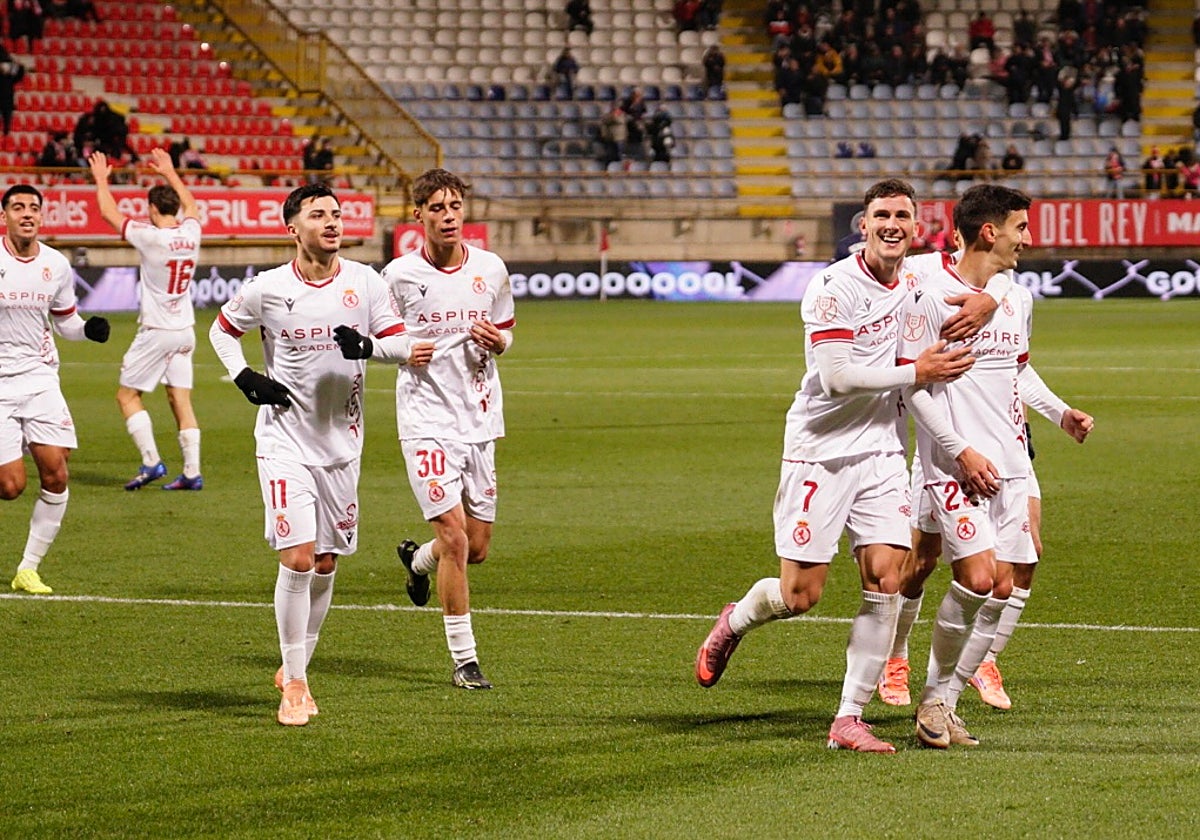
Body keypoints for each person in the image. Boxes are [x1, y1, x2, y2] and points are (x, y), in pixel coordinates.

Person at [694, 179, 1003, 754]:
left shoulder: (914, 287)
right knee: (800, 595)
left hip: (882, 452)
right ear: (863, 225)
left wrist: (992, 299)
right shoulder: (833, 287)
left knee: (887, 577)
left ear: (916, 228)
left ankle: (848, 717)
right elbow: (837, 377)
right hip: (819, 451)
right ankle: (735, 621)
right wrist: (917, 373)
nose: (892, 224)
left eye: (903, 216)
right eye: (881, 214)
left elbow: (965, 296)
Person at [208, 182, 431, 725]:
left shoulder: (365, 282)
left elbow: (407, 345)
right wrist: (243, 376)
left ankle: (294, 664)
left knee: (327, 563)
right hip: (283, 440)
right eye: (318, 215)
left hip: (342, 447)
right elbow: (220, 329)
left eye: (336, 213)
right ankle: (297, 685)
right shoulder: (267, 288)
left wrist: (369, 348)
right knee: (299, 558)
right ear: (293, 228)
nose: (332, 222)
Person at [895, 184, 1093, 749]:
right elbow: (918, 387)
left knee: (1001, 587)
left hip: (1008, 459)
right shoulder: (929, 293)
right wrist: (959, 450)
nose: (1028, 240)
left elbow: (1016, 369)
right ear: (990, 231)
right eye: (1021, 228)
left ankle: (941, 704)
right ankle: (912, 684)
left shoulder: (1015, 297)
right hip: (953, 464)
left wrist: (1060, 414)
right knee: (975, 579)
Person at [379, 168, 515, 691]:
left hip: (479, 418)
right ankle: (465, 660)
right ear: (419, 216)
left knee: (475, 547)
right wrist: (402, 349)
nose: (449, 215)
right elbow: (376, 339)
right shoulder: (397, 277)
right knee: (455, 538)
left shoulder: (491, 269)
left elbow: (506, 331)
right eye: (436, 208)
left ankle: (417, 562)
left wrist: (498, 344)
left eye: (455, 206)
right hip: (425, 421)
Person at [0, 184, 110, 595]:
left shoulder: (55, 265)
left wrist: (88, 330)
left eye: (33, 208)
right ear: (5, 216)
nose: (27, 213)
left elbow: (65, 321)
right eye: (18, 207)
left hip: (40, 378)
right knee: (10, 487)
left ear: (42, 217)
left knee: (57, 474)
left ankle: (28, 569)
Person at [89, 147, 206, 491]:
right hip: (185, 330)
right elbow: (194, 206)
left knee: (127, 397)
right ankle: (192, 472)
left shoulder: (151, 237)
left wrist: (100, 180)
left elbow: (110, 213)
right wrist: (170, 172)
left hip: (157, 331)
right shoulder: (192, 232)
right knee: (180, 399)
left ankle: (152, 462)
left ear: (153, 209)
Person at [0, 45, 25, 137]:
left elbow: (18, 77)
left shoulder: (9, 76)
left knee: (7, 119)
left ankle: (6, 133)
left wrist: (20, 67)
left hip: (7, 101)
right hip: (6, 100)